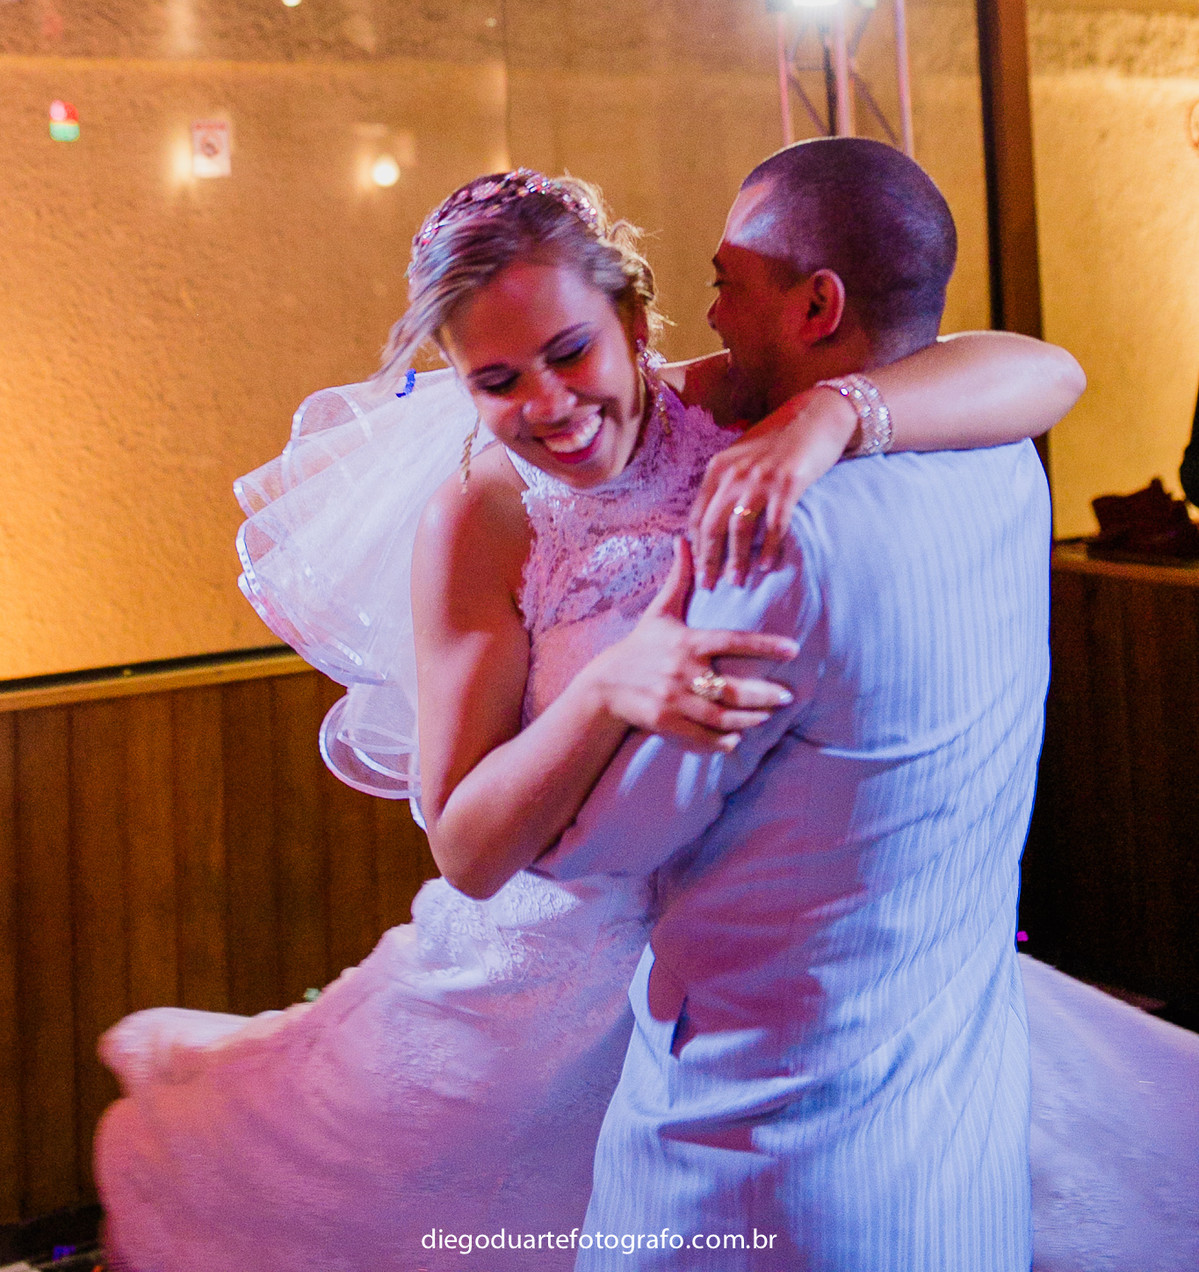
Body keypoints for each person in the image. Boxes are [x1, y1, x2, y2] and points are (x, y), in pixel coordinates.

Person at [94, 166, 1086, 1272]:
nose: (550, 408)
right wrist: (611, 689)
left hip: (737, 971)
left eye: (570, 354)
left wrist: (826, 416)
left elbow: (1043, 370)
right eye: (497, 380)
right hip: (542, 997)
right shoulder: (482, 514)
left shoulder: (723, 402)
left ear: (632, 320)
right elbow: (464, 843)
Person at [534, 140, 1199, 1272]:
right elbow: (1036, 368)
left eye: (727, 279)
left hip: (760, 1168)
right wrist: (836, 410)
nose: (709, 313)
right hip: (954, 1151)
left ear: (816, 302)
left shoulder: (769, 535)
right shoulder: (1000, 460)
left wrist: (576, 704)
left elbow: (608, 844)